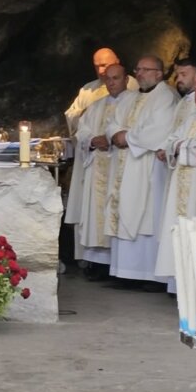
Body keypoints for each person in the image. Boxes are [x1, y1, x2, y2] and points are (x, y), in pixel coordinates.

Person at [106, 56, 178, 289]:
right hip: (125, 164)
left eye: (146, 70)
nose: (140, 74)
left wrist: (126, 137)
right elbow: (112, 121)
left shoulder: (166, 97)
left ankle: (148, 274)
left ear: (159, 73)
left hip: (148, 166)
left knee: (147, 214)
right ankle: (123, 271)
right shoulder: (131, 96)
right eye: (138, 69)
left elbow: (158, 130)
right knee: (125, 207)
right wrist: (115, 134)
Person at [67, 64, 131, 280]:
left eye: (116, 78)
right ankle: (97, 264)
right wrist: (93, 140)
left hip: (120, 168)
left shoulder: (134, 102)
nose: (111, 82)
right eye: (108, 79)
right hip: (97, 167)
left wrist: (113, 139)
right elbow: (81, 130)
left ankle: (118, 265)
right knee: (95, 215)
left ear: (126, 79)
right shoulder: (96, 105)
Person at [155, 76, 196, 284]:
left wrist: (181, 147)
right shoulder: (192, 117)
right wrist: (183, 146)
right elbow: (170, 142)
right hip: (181, 181)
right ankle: (179, 284)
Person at [64, 47, 139, 135]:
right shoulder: (87, 89)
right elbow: (71, 114)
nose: (100, 71)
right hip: (92, 143)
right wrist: (84, 114)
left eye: (104, 65)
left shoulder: (130, 84)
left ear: (117, 62)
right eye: (96, 66)